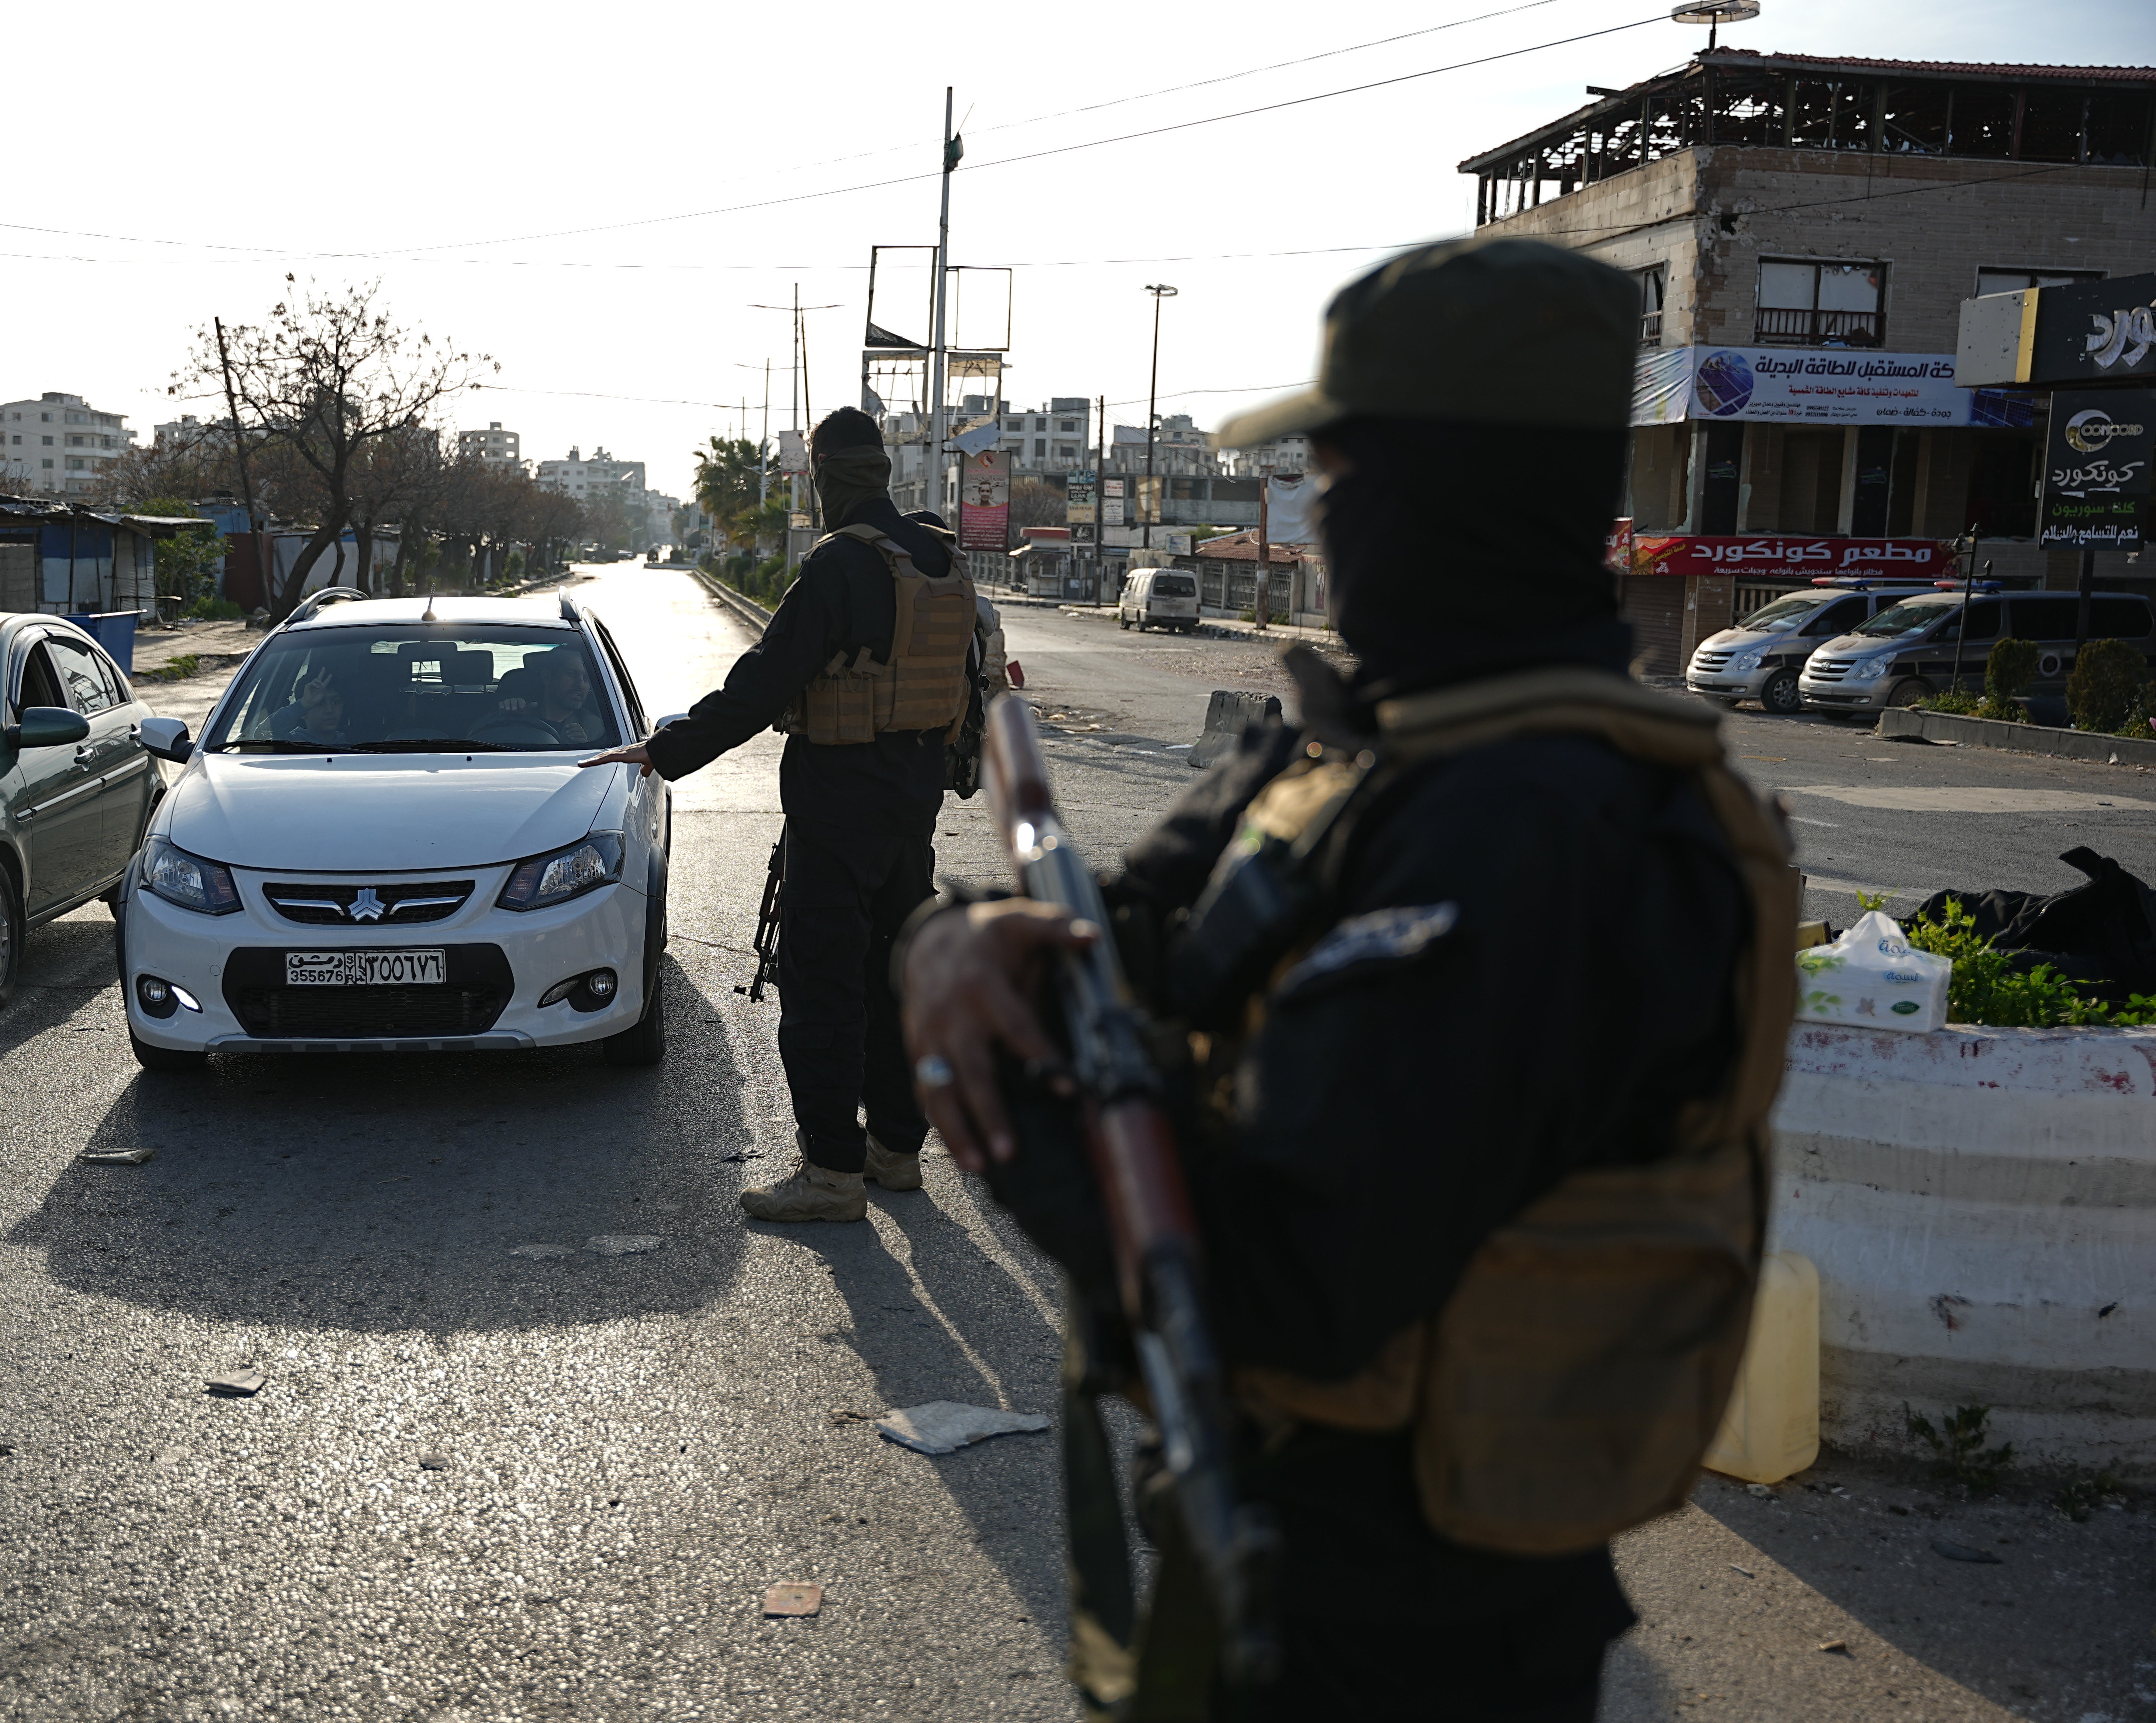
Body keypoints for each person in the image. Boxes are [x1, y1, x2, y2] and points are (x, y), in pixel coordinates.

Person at [898, 237, 1793, 1720]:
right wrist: (956, 939)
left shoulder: (1548, 836)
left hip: (1423, 1629)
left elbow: (1292, 1291)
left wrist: (996, 1087)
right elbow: (1124, 926)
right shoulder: (1362, 750)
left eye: (1337, 477)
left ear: (1428, 490)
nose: (1318, 524)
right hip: (1265, 1535)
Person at [585, 408, 978, 1222]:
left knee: (824, 988)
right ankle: (896, 1151)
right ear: (886, 473)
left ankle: (833, 1174)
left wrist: (666, 749)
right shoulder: (937, 554)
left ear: (827, 478)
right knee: (897, 978)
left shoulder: (840, 565)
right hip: (914, 808)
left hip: (837, 813)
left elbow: (765, 683)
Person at [498, 646, 606, 746]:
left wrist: (581, 748)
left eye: (586, 679)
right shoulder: (519, 711)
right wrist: (508, 720)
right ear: (548, 678)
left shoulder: (597, 730)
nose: (581, 684)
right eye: (572, 674)